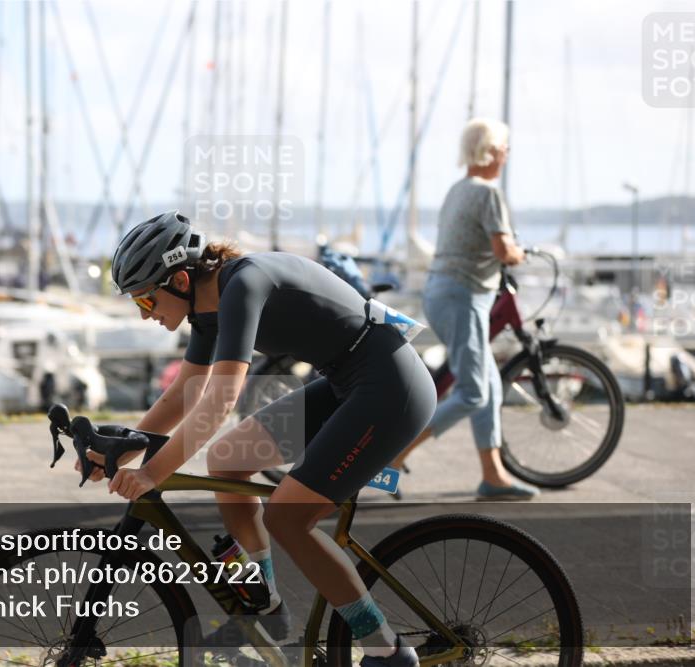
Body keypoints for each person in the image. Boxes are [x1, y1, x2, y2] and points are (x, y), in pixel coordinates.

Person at [82, 211, 436, 666]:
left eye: (147, 303)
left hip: (390, 387)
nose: (145, 315)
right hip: (347, 379)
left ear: (182, 280)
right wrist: (120, 447)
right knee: (228, 460)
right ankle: (266, 607)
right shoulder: (207, 311)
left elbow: (219, 401)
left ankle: (385, 650)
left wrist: (152, 473)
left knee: (287, 518)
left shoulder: (243, 287)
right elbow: (183, 396)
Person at [389, 118, 539, 501]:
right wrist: (520, 254)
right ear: (491, 152)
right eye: (504, 148)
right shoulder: (489, 193)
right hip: (464, 297)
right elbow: (504, 251)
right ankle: (390, 458)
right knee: (473, 393)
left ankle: (494, 476)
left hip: (444, 293)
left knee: (487, 386)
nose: (506, 155)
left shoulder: (458, 189)